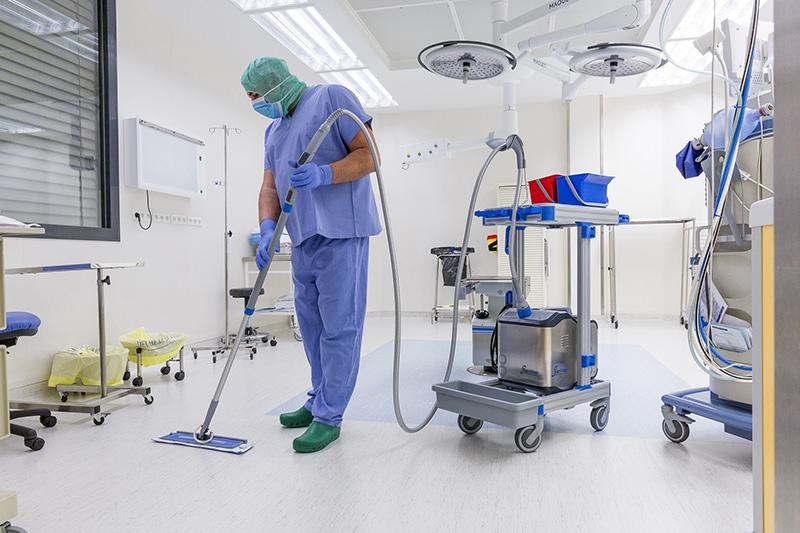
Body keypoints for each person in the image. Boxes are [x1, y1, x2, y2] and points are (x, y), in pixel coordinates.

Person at [241, 57, 381, 453]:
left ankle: (329, 415)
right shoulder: (273, 129)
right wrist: (267, 228)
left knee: (339, 327)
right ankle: (318, 396)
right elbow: (270, 186)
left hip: (342, 231)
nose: (254, 102)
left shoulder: (331, 98)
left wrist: (325, 174)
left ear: (276, 85)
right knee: (312, 328)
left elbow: (370, 155)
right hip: (302, 237)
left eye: (256, 94)